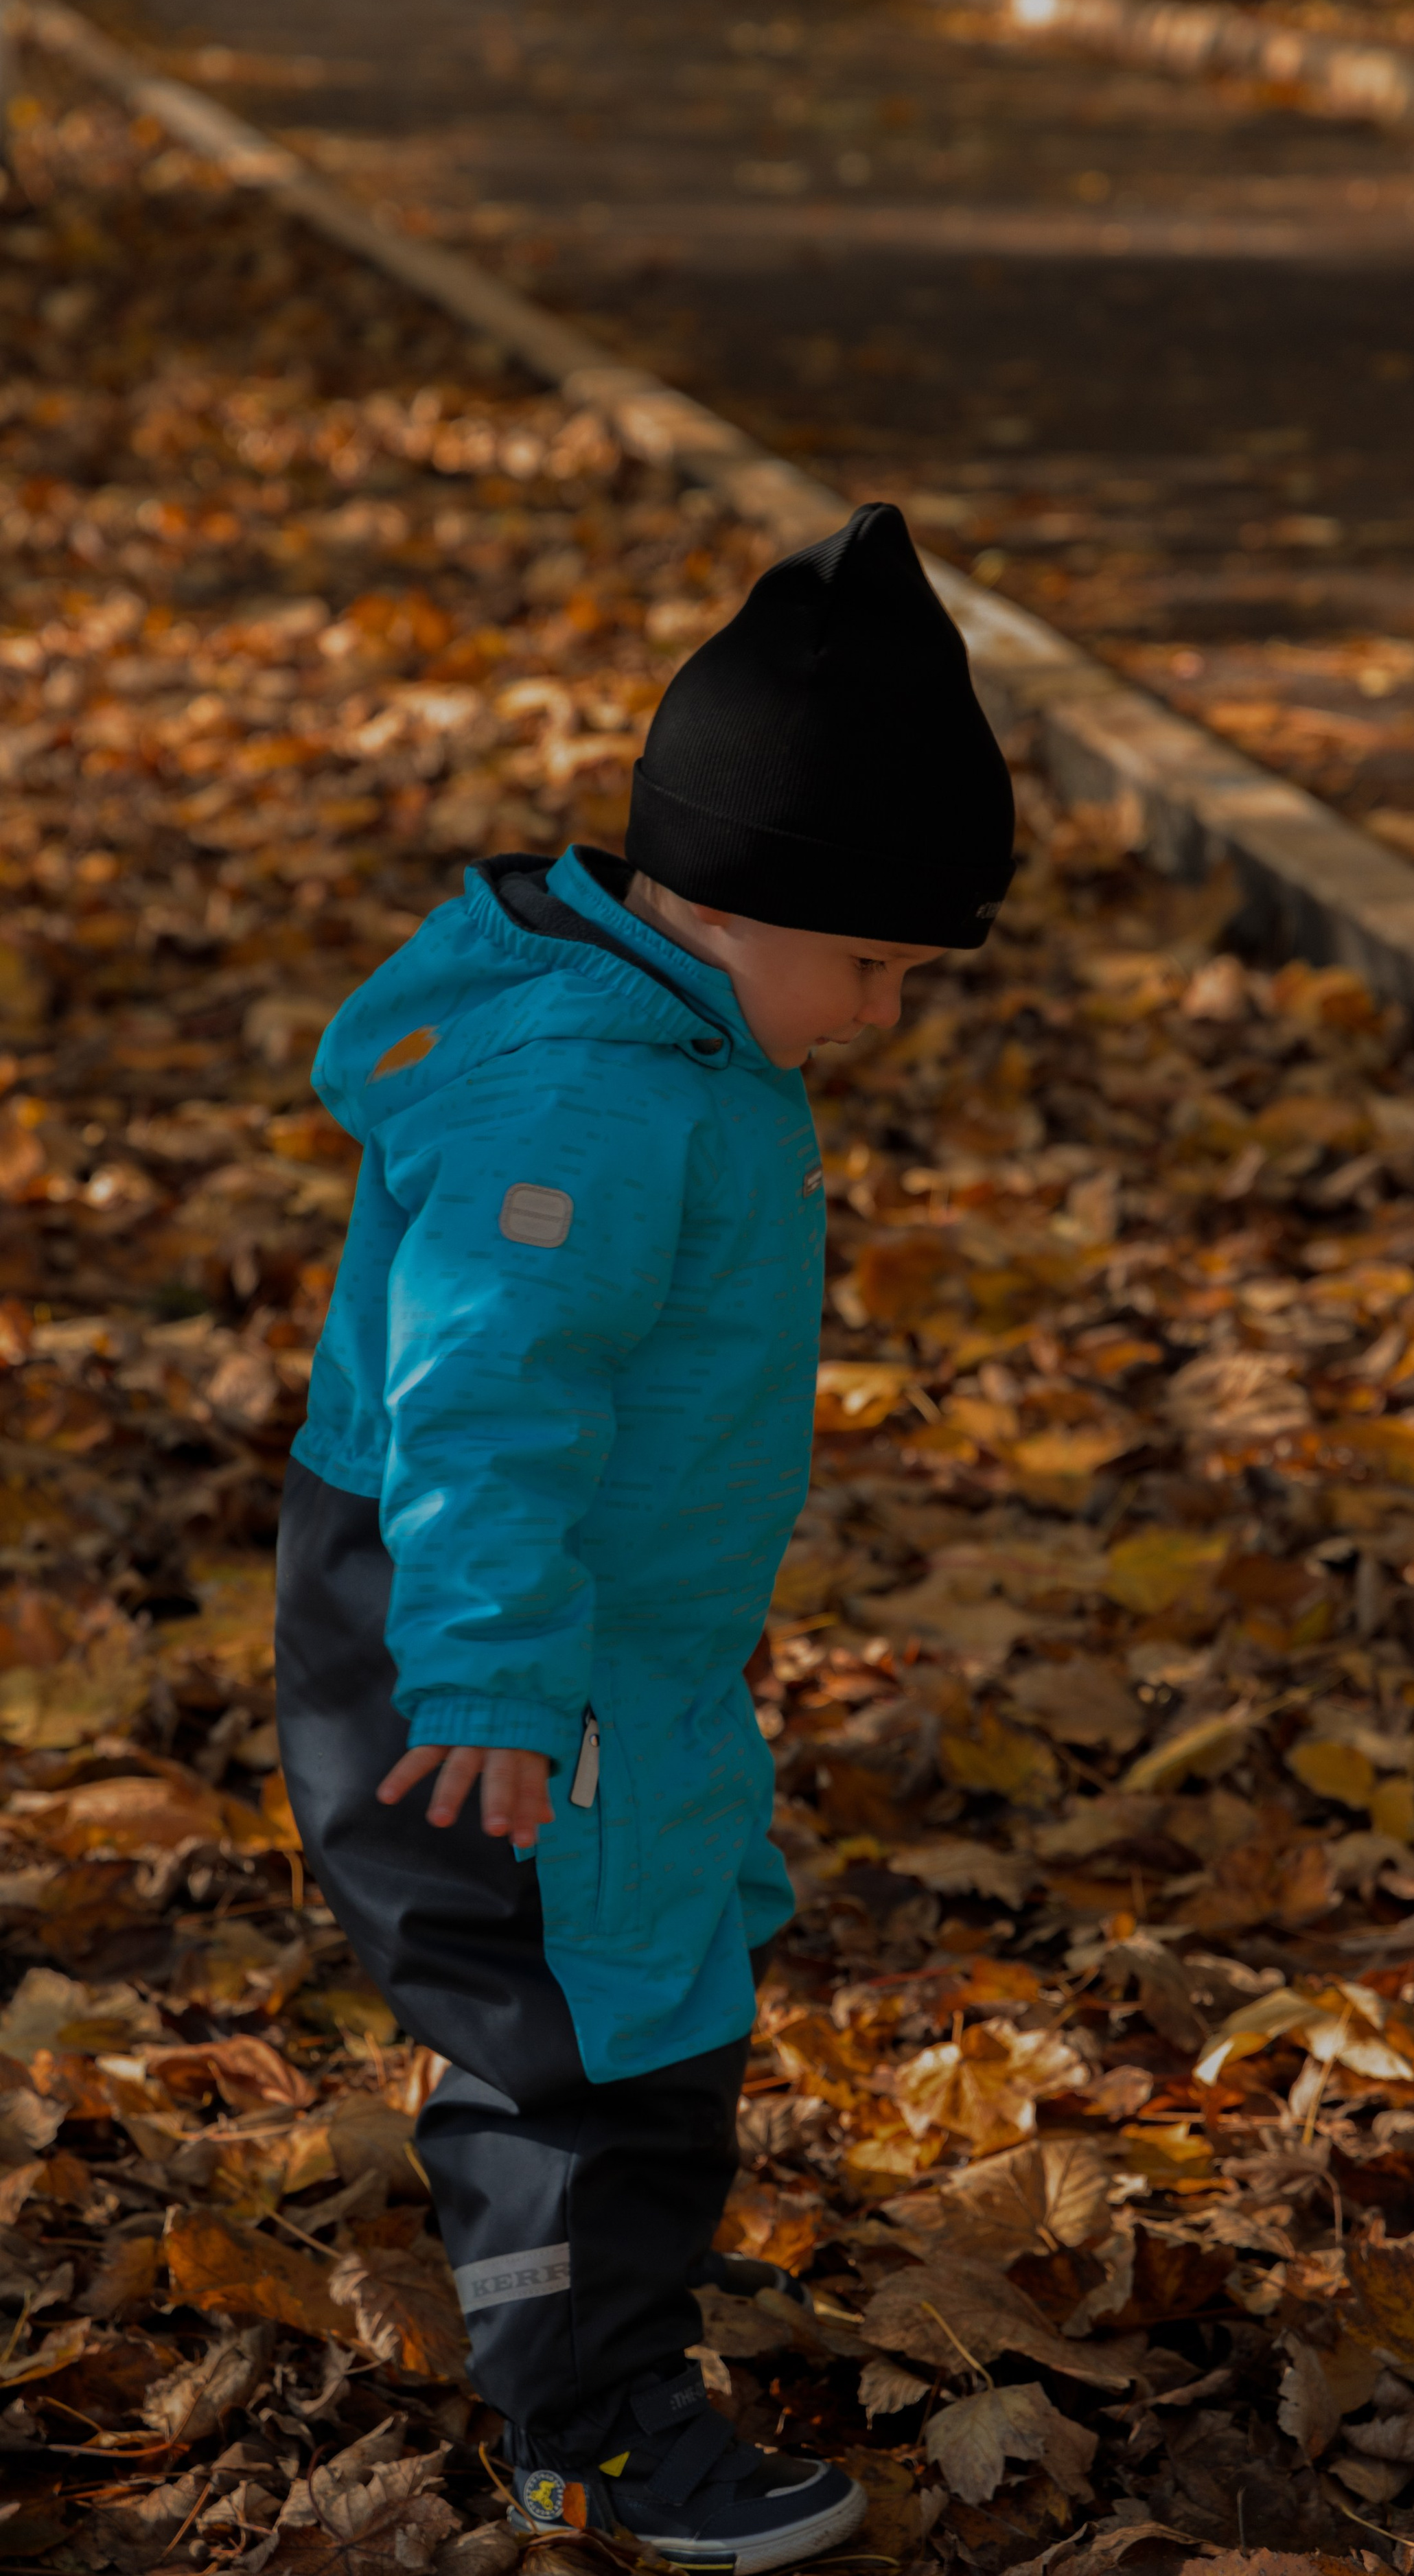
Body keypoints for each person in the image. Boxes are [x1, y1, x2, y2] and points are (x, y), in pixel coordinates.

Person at [274, 502, 1016, 2568]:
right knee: (580, 2038)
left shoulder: (677, 1043)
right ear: (722, 904)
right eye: (869, 963)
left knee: (654, 1978)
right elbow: (484, 1401)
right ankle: (586, 2423)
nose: (877, 1016)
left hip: (600, 1645)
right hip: (483, 1650)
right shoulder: (588, 1107)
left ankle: (613, 2333)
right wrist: (494, 1679)